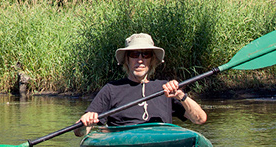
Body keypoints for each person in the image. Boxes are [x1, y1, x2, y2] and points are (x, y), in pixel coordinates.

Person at [75, 33, 207, 136]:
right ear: (127, 59)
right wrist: (85, 122)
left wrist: (180, 95)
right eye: (134, 54)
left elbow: (200, 119)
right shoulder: (111, 89)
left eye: (146, 54)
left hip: (161, 141)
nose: (140, 60)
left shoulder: (166, 88)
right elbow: (80, 132)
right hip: (124, 144)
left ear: (152, 59)